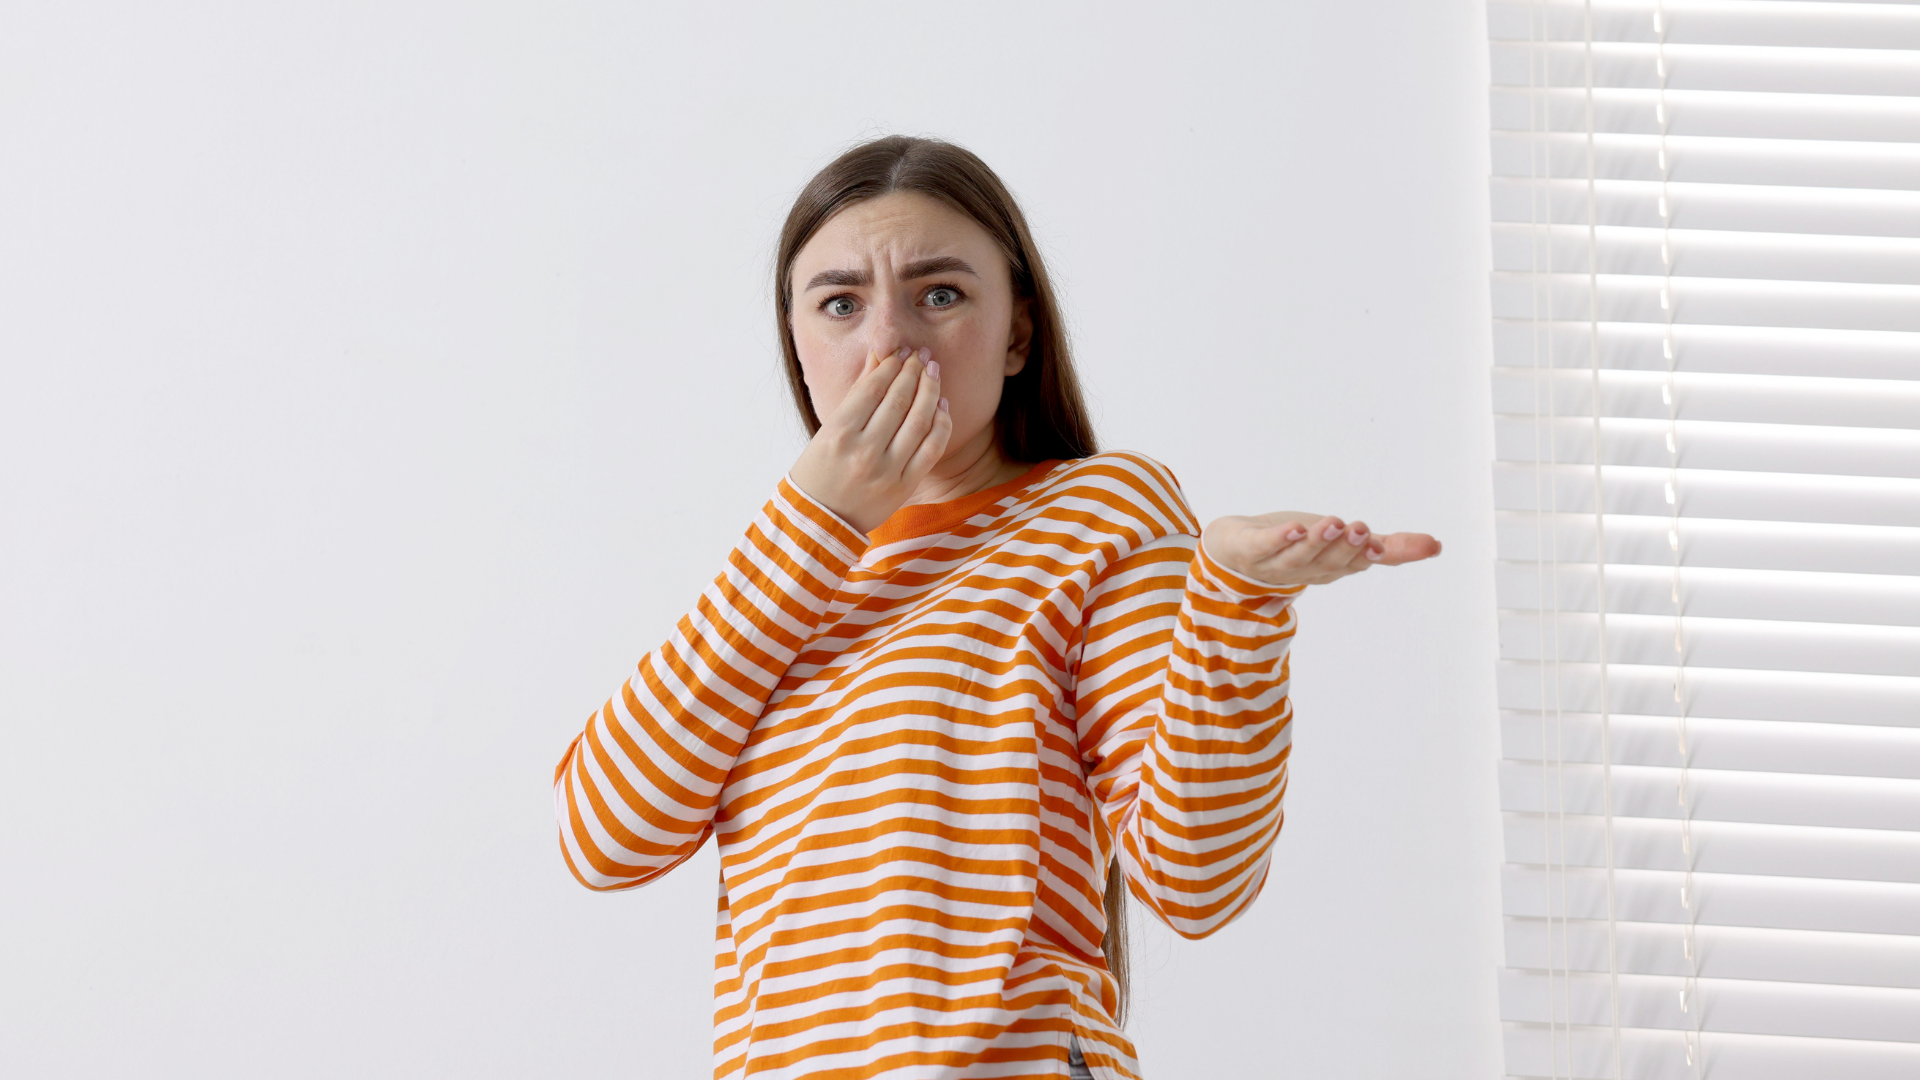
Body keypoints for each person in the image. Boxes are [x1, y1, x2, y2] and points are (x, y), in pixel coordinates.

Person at [552, 135, 1441, 1080]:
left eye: (940, 295)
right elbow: (605, 833)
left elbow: (1196, 881)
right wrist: (815, 523)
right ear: (798, 345)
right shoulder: (785, 574)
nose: (888, 343)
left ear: (1018, 333)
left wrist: (1238, 600)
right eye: (841, 304)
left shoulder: (1096, 514)